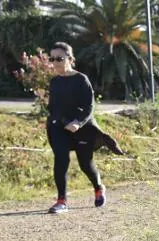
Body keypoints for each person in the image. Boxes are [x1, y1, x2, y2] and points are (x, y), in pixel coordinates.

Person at [45, 42, 123, 214]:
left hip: (82, 128)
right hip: (59, 127)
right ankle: (61, 201)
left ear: (70, 59)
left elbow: (89, 107)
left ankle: (98, 187)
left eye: (59, 58)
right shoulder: (55, 82)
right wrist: (58, 120)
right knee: (61, 160)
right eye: (52, 58)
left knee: (85, 164)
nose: (55, 62)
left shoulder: (81, 80)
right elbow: (52, 106)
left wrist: (77, 123)